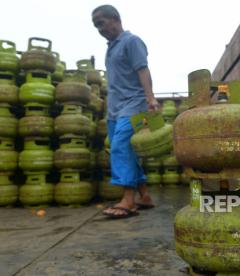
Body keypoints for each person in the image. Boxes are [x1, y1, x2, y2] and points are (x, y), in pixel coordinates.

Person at [92, 5, 160, 218]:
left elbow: (143, 69)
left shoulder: (131, 41)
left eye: (101, 23)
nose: (99, 29)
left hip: (134, 104)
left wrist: (150, 98)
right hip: (115, 109)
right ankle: (145, 196)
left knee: (121, 146)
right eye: (96, 26)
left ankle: (129, 201)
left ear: (115, 19)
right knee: (122, 150)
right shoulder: (111, 47)